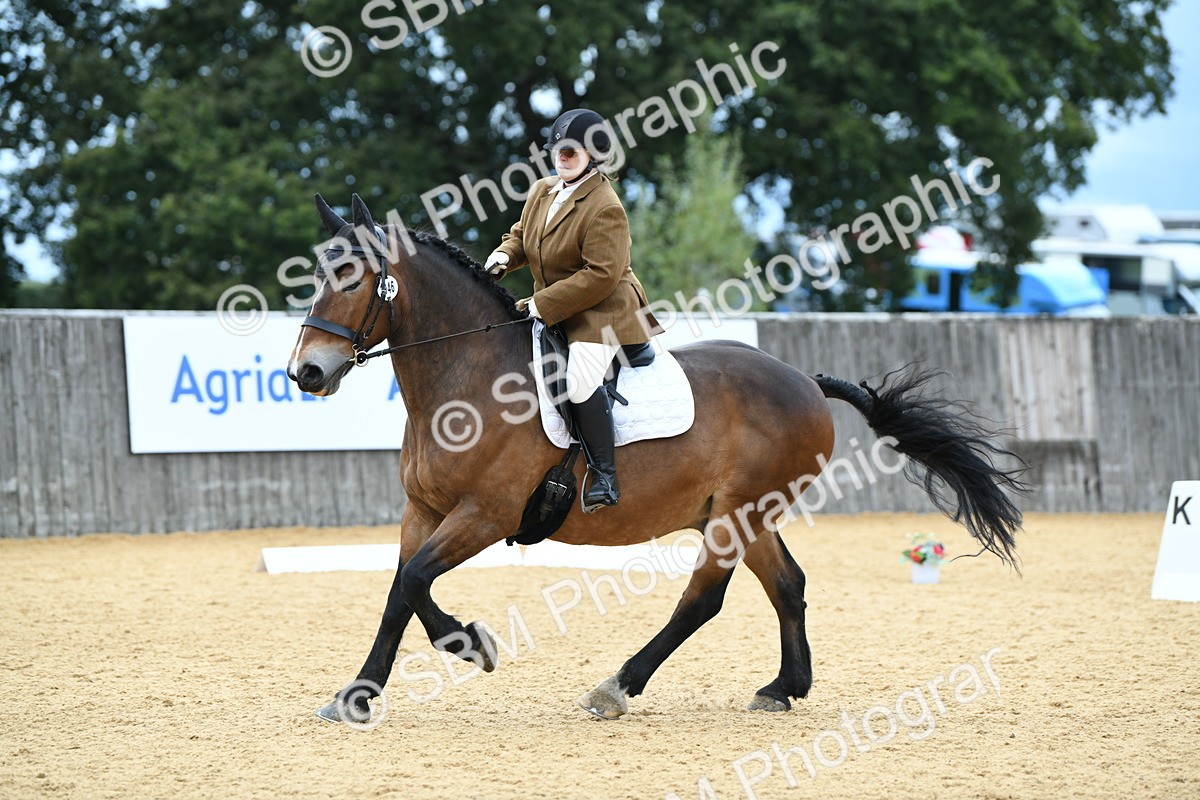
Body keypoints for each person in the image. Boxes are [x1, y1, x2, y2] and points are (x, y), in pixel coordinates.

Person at [485, 108, 660, 513]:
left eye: (571, 152)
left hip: (605, 312)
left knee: (579, 382)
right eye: (557, 151)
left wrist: (541, 304)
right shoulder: (543, 190)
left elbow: (601, 275)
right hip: (562, 304)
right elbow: (522, 236)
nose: (561, 158)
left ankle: (604, 475)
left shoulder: (605, 206)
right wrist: (503, 255)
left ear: (594, 154)